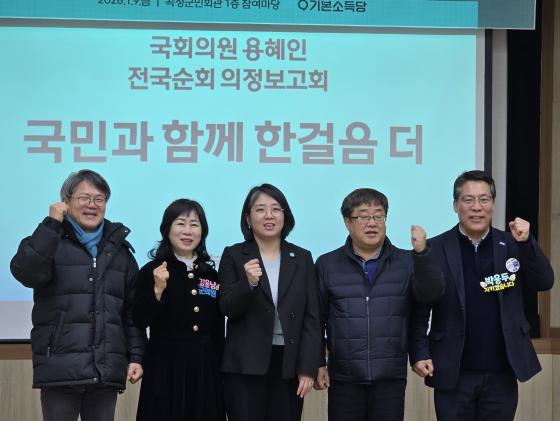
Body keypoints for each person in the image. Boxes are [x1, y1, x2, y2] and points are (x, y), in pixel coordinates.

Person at [409, 170, 555, 421]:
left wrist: (527, 243)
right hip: (453, 369)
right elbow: (420, 307)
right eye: (468, 200)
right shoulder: (435, 248)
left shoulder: (512, 243)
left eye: (484, 199)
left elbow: (544, 281)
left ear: (493, 204)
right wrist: (419, 352)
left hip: (502, 370)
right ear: (455, 205)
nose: (476, 207)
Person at [10, 169, 146, 421]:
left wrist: (136, 356)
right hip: (60, 369)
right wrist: (51, 225)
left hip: (105, 371)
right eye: (84, 198)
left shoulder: (120, 252)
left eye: (99, 199)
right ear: (65, 201)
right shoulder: (49, 241)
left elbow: (131, 312)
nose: (92, 205)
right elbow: (26, 273)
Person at [314, 187, 445, 421]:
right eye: (363, 216)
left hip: (390, 377)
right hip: (344, 377)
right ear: (347, 222)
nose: (372, 223)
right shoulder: (327, 264)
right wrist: (317, 363)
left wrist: (422, 254)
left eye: (379, 216)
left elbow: (426, 302)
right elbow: (316, 320)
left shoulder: (407, 262)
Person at [218, 183, 321, 421]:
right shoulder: (234, 255)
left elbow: (311, 318)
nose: (269, 216)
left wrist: (308, 367)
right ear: (248, 218)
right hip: (244, 365)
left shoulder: (302, 257)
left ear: (285, 215)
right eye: (260, 209)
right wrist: (248, 284)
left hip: (288, 364)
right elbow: (227, 307)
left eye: (276, 209)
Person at [132, 199, 225, 421]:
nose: (187, 231)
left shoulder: (210, 274)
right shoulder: (152, 270)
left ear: (203, 231)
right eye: (180, 223)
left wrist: (219, 367)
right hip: (164, 366)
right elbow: (139, 319)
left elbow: (217, 327)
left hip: (204, 367)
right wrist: (157, 290)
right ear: (167, 229)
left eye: (194, 224)